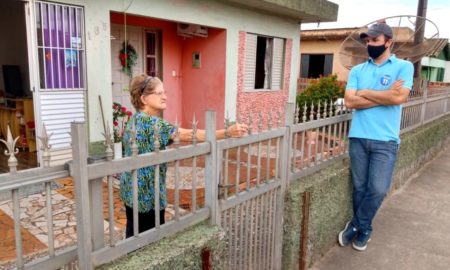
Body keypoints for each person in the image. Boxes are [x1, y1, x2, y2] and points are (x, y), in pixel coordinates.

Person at [120, 74, 248, 238]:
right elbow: (188, 135)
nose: (165, 97)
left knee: (133, 236)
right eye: (159, 93)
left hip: (131, 190)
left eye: (164, 92)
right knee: (148, 241)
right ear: (144, 99)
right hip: (147, 197)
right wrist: (227, 132)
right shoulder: (151, 123)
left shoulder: (134, 120)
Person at [338, 22, 414, 251]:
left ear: (388, 42)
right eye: (368, 41)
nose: (370, 44)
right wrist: (385, 94)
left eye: (375, 40)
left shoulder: (403, 67)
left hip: (386, 140)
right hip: (358, 137)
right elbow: (350, 102)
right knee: (360, 188)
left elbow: (398, 99)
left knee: (378, 189)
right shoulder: (358, 70)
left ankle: (356, 225)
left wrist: (365, 92)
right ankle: (365, 230)